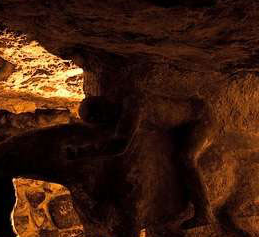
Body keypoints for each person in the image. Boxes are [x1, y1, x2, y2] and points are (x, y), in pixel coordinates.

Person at [69, 93, 214, 229]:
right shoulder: (120, 107)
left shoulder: (133, 107)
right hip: (177, 124)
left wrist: (82, 152)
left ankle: (204, 211)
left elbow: (119, 145)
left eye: (97, 121)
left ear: (101, 112)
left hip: (200, 119)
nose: (100, 125)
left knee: (186, 158)